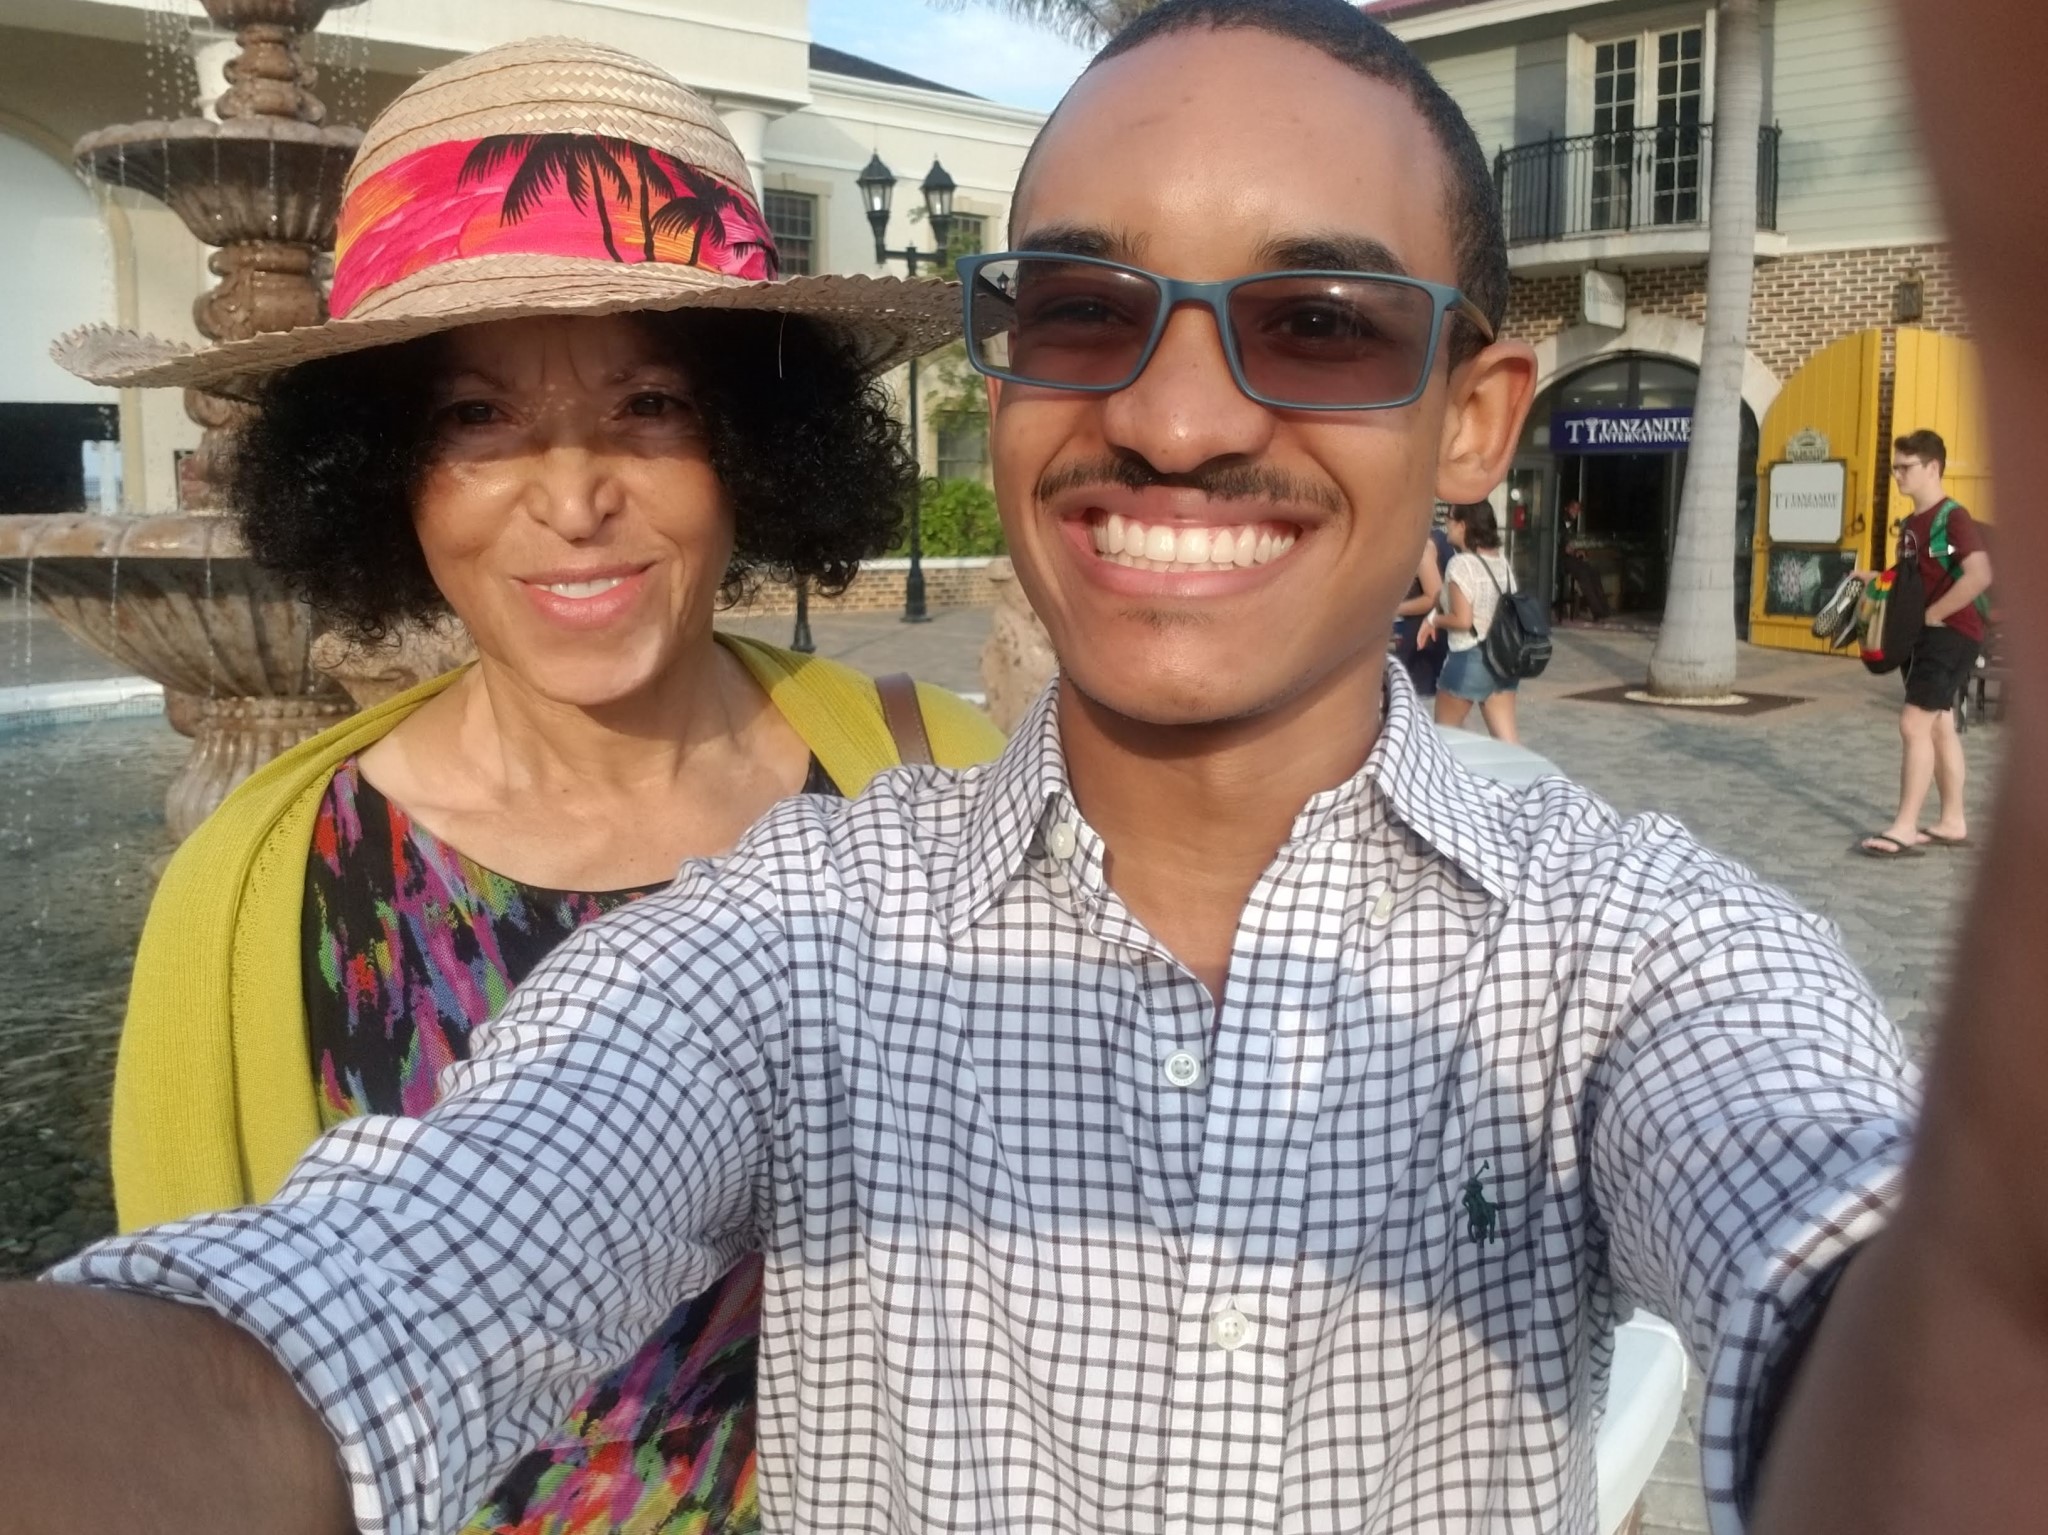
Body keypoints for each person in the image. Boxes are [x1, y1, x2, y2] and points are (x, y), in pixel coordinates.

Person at [0, 5, 1914, 1534]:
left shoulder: (1632, 952)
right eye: (1082, 310)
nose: (1175, 415)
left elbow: (1835, 1238)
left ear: (1477, 419)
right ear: (1003, 380)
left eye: (1317, 325)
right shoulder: (786, 931)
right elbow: (409, 1265)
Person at [73, 39, 1003, 1535]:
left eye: (650, 404)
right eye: (475, 417)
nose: (572, 500)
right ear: (379, 466)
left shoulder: (937, 774)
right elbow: (201, 1393)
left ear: (751, 444)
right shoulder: (261, 880)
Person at [1853, 429, 1993, 858]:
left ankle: (1904, 827)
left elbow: (1980, 574)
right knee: (1938, 726)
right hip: (1927, 637)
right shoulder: (1913, 524)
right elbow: (1918, 577)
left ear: (1933, 467)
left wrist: (1934, 614)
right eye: (1894, 467)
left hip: (1951, 635)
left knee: (1913, 724)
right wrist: (1874, 579)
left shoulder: (1953, 518)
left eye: (1905, 467)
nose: (1897, 475)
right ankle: (1952, 821)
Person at [1417, 500, 1521, 741]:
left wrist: (1435, 622)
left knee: (1444, 739)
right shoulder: (1502, 563)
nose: (1446, 525)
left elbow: (1462, 620)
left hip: (1470, 657)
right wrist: (1434, 616)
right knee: (1508, 742)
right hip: (1504, 660)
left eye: (1449, 519)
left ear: (1462, 525)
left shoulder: (1461, 564)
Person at [1390, 515, 1452, 694]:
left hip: (1421, 638)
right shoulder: (1440, 539)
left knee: (1414, 696)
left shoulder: (1424, 547)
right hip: (1432, 636)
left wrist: (1393, 610)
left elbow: (1433, 596)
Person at [1555, 498, 1612, 622]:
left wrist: (1576, 551)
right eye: (1573, 508)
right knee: (1583, 573)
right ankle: (1597, 611)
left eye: (1577, 509)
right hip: (1559, 559)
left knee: (1593, 571)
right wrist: (1569, 550)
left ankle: (1604, 608)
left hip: (1569, 557)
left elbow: (1569, 545)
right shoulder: (1558, 523)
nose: (1575, 511)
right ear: (1567, 508)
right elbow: (1559, 545)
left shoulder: (1571, 525)